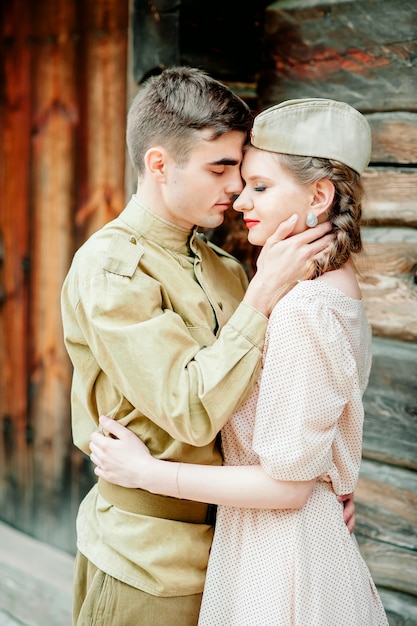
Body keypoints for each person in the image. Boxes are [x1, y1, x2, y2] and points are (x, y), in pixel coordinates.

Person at [89, 98, 389, 625]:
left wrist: (146, 471)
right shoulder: (323, 289)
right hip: (261, 537)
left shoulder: (303, 307)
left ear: (319, 195)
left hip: (279, 555)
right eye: (234, 176)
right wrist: (329, 482)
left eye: (259, 185)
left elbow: (287, 486)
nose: (238, 197)